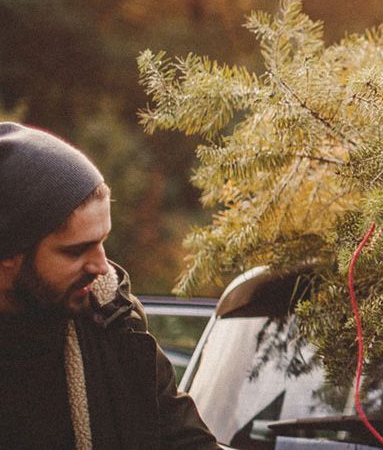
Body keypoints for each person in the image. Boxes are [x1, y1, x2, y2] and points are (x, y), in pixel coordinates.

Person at [0, 122, 220, 449]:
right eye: (75, 250)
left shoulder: (115, 323)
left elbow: (184, 440)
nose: (102, 267)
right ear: (10, 253)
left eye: (102, 241)